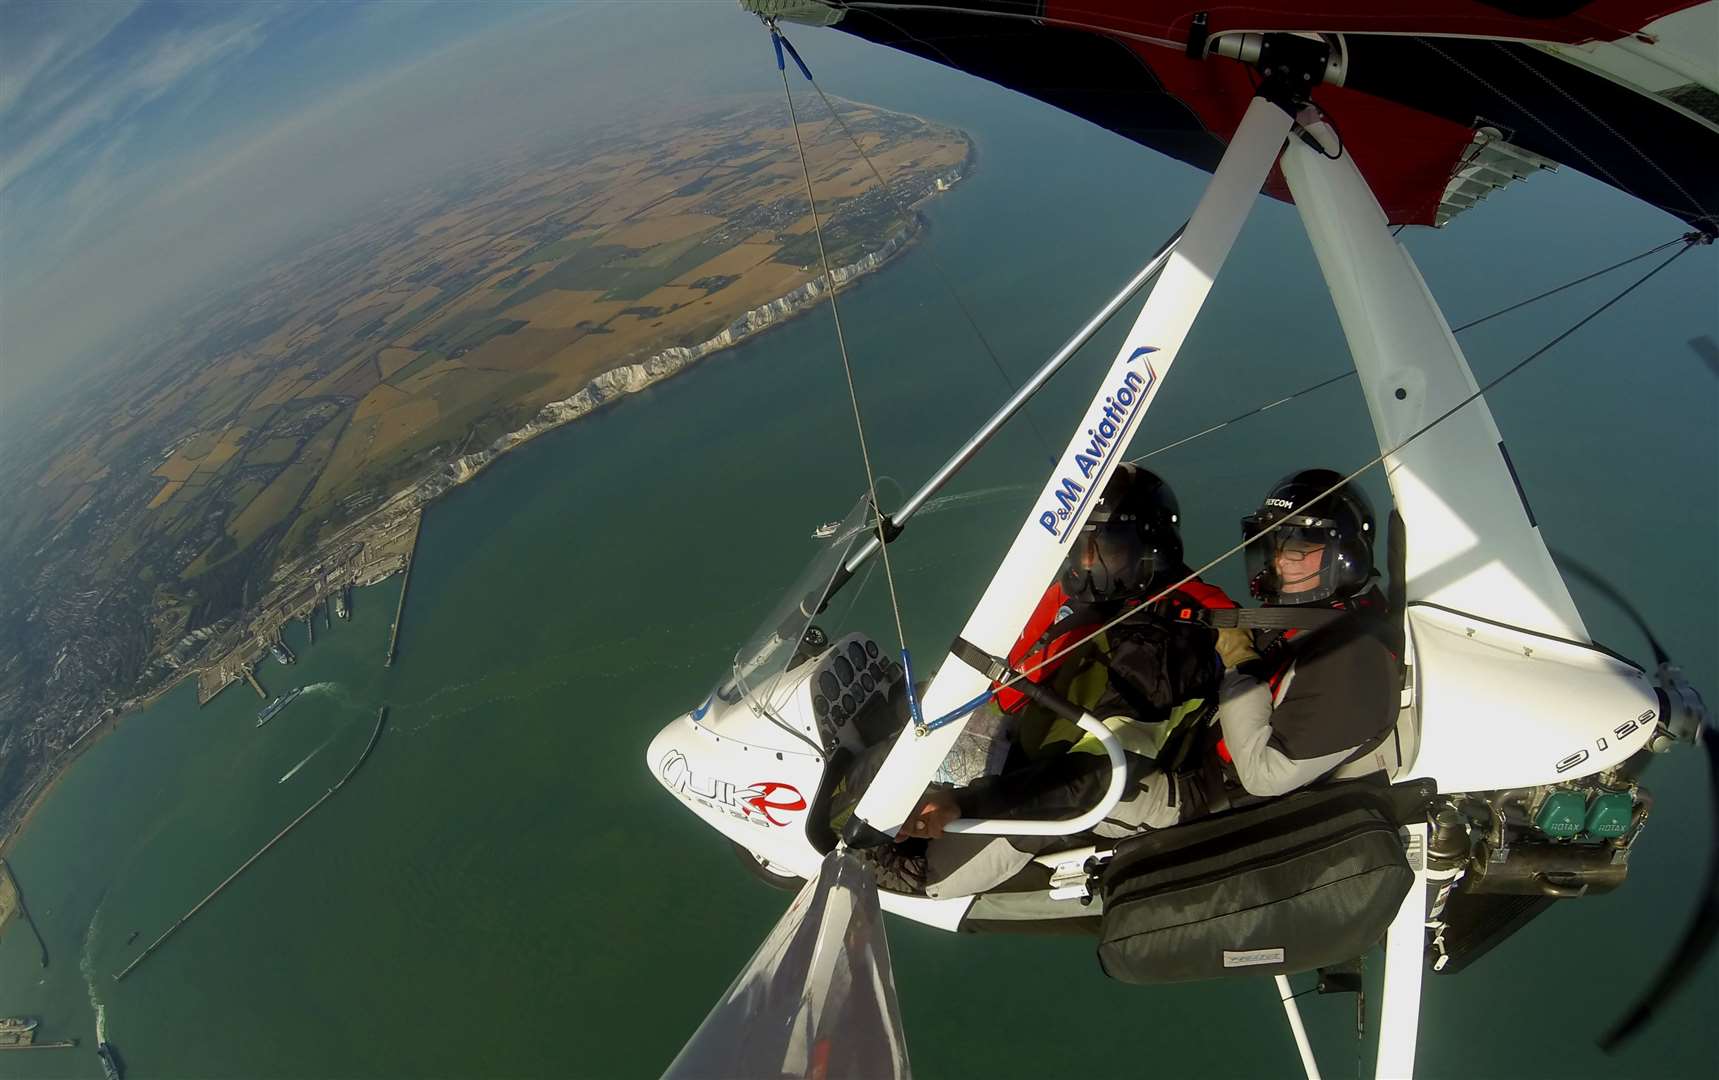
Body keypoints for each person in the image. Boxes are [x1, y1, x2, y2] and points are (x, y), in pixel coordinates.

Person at [899, 468, 1400, 885]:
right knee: (1072, 754)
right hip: (1193, 744)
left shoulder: (1355, 659)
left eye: (1295, 550)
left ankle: (927, 871)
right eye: (1272, 548)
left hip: (1196, 795)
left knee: (1089, 784)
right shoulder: (1317, 624)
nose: (1277, 564)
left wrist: (1239, 668)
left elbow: (1264, 776)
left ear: (1343, 554)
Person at [894, 465, 1249, 898]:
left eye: (1104, 549)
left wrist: (965, 807)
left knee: (910, 863)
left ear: (1150, 549)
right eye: (1079, 546)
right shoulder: (1100, 593)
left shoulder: (1160, 645)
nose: (1085, 564)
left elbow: (1094, 776)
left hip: (1086, 780)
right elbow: (1009, 665)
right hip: (1031, 736)